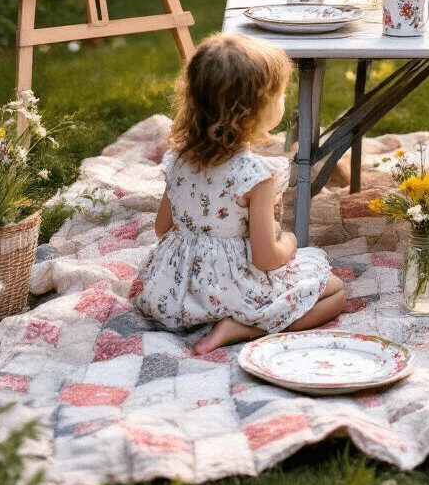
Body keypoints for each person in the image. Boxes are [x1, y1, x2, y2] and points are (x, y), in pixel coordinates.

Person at [131, 32, 345, 352]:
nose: (284, 101)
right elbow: (266, 258)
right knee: (336, 291)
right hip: (234, 286)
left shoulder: (177, 158)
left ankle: (223, 320)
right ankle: (244, 327)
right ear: (253, 110)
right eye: (279, 95)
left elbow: (162, 227)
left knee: (316, 282)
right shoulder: (255, 175)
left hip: (175, 292)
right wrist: (290, 242)